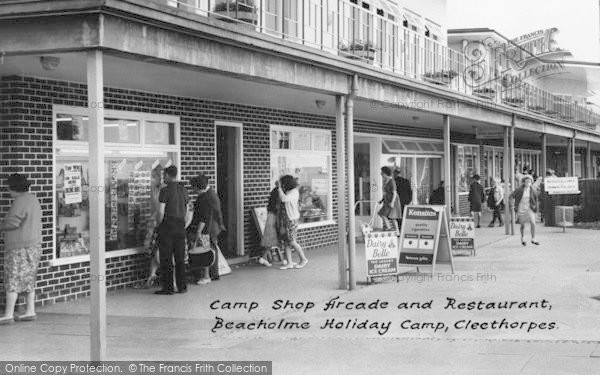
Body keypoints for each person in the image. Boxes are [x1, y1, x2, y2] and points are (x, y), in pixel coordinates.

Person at [0, 174, 42, 325]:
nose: (8, 191)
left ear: (14, 188)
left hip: (19, 247)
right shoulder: (33, 199)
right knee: (29, 279)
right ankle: (30, 311)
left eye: (8, 188)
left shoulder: (20, 201)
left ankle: (8, 315)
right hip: (34, 246)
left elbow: (12, 223)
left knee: (13, 279)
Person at [155, 165, 189, 295]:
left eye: (164, 175)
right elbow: (188, 210)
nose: (163, 178)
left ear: (168, 175)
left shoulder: (165, 191)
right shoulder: (183, 190)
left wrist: (159, 224)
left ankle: (168, 288)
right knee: (180, 258)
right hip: (180, 226)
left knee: (166, 258)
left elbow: (161, 211)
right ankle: (182, 286)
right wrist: (183, 224)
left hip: (167, 226)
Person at [188, 174, 226, 284]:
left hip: (209, 227)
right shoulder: (210, 193)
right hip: (212, 226)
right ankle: (212, 274)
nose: (192, 190)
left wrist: (199, 230)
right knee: (210, 249)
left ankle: (210, 274)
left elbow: (206, 215)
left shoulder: (205, 197)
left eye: (193, 187)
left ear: (197, 186)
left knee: (207, 250)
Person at [278, 175, 308, 270]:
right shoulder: (289, 191)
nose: (282, 185)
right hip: (287, 219)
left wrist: (279, 188)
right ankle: (289, 263)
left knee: (292, 241)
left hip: (292, 220)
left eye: (282, 183)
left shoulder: (294, 192)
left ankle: (303, 259)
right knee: (287, 242)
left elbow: (284, 199)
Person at [258, 182, 284, 267]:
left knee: (271, 238)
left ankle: (264, 257)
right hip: (275, 218)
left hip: (271, 215)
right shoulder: (279, 193)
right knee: (276, 238)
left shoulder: (274, 192)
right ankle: (284, 259)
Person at [510, 175, 540, 246]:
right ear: (524, 182)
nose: (528, 183)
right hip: (521, 208)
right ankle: (522, 238)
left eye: (529, 182)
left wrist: (536, 209)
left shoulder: (533, 190)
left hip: (530, 208)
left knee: (533, 222)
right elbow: (511, 196)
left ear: (531, 182)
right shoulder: (519, 189)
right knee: (522, 225)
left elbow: (536, 200)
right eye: (526, 182)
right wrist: (512, 204)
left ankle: (533, 238)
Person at [378, 167, 402, 232]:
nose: (381, 174)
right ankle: (394, 231)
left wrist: (392, 202)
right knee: (388, 216)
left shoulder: (392, 181)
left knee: (390, 216)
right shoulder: (386, 181)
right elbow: (386, 193)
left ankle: (390, 229)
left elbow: (394, 193)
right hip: (387, 200)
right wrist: (382, 200)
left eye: (382, 173)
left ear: (386, 173)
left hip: (392, 200)